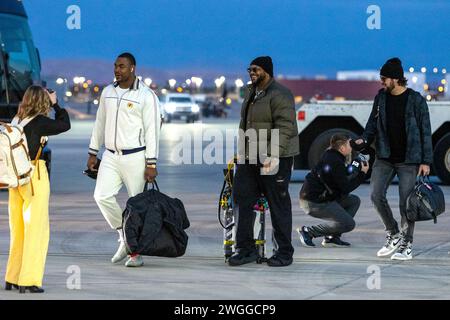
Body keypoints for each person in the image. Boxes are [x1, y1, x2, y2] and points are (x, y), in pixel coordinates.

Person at [87, 52, 161, 267]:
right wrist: (93, 152)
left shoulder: (146, 95)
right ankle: (124, 236)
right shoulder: (108, 92)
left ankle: (135, 254)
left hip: (136, 156)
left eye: (122, 66)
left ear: (132, 68)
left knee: (136, 207)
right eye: (115, 66)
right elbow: (100, 123)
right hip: (110, 155)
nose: (117, 70)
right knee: (101, 196)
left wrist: (151, 163)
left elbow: (152, 131)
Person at [355, 57, 433, 261]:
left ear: (396, 79)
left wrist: (426, 161)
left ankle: (407, 244)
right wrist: (363, 140)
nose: (381, 82)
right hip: (385, 156)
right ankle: (393, 233)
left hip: (408, 159)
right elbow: (372, 123)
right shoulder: (381, 98)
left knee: (406, 203)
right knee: (375, 194)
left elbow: (426, 131)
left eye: (384, 78)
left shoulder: (416, 100)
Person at [229, 56, 299, 267]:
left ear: (267, 71)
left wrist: (272, 155)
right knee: (241, 199)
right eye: (249, 69)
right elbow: (245, 125)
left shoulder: (280, 94)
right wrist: (241, 154)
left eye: (256, 69)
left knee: (278, 205)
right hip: (250, 157)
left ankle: (284, 252)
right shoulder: (251, 92)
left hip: (275, 158)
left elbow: (286, 127)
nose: (251, 72)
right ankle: (245, 249)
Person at [5, 85, 71, 293]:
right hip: (34, 177)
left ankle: (12, 277)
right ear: (43, 100)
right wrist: (56, 103)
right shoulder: (40, 123)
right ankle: (29, 279)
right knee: (37, 231)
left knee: (18, 231)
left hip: (15, 182)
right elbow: (65, 124)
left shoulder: (16, 120)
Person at [297, 134, 369, 248]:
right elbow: (345, 188)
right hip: (313, 202)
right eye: (349, 145)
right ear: (342, 148)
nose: (351, 147)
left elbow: (342, 175)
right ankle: (308, 231)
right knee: (349, 224)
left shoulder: (332, 155)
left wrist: (354, 167)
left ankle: (332, 237)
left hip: (322, 198)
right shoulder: (334, 161)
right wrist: (362, 174)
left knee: (354, 201)